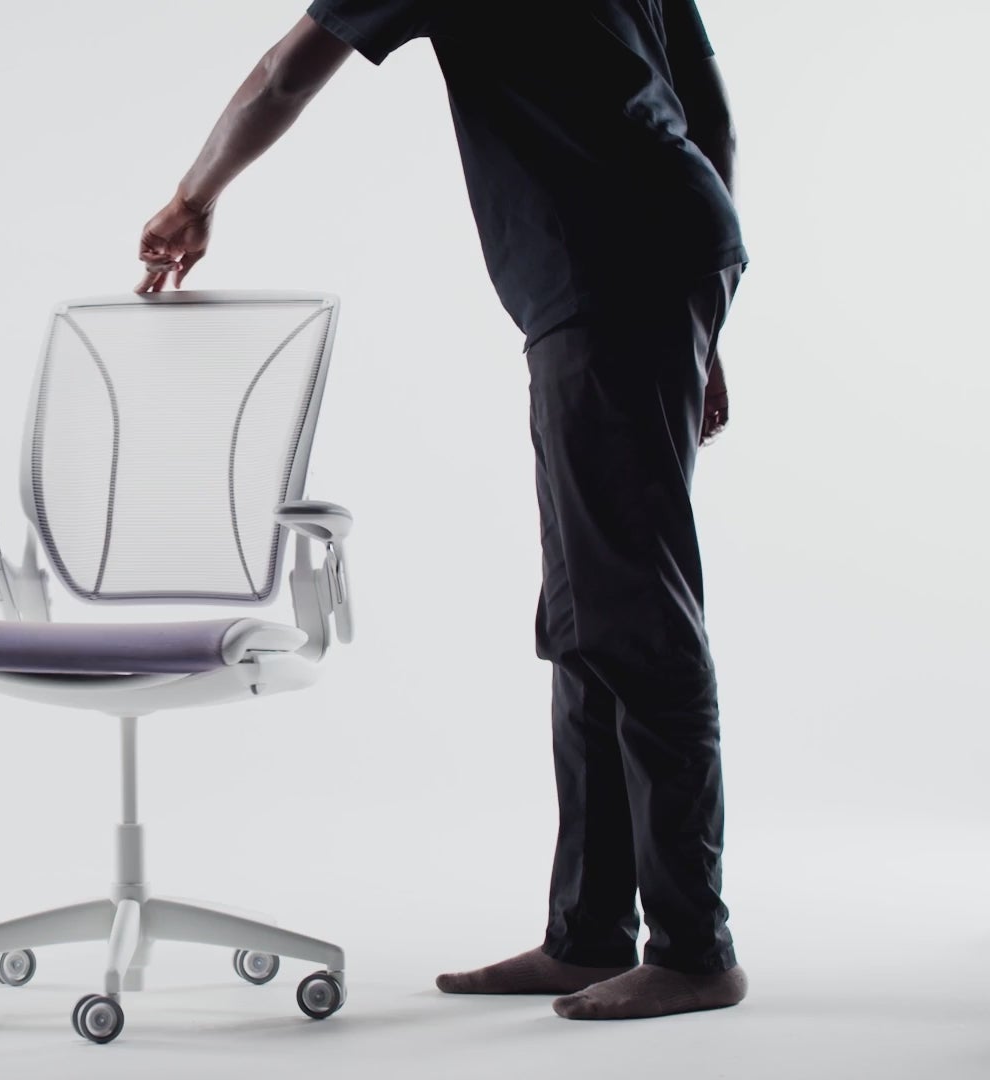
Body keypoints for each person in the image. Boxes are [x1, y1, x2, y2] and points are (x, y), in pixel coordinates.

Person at [137, 0, 747, 1020]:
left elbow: (288, 71)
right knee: (584, 613)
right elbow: (709, 111)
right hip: (653, 255)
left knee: (635, 612)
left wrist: (192, 197)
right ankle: (589, 933)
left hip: (607, 268)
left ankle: (694, 950)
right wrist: (700, 314)